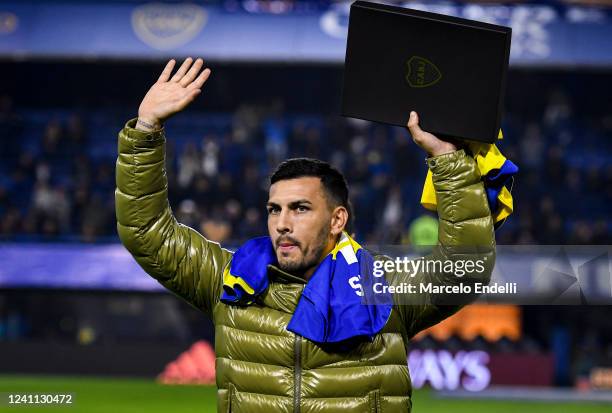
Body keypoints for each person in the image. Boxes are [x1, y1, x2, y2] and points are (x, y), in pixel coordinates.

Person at [115, 58, 495, 412]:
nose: (282, 222)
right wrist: (146, 131)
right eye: (274, 209)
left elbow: (463, 271)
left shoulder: (383, 289)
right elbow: (148, 233)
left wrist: (448, 163)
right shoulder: (230, 281)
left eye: (300, 209)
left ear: (337, 220)